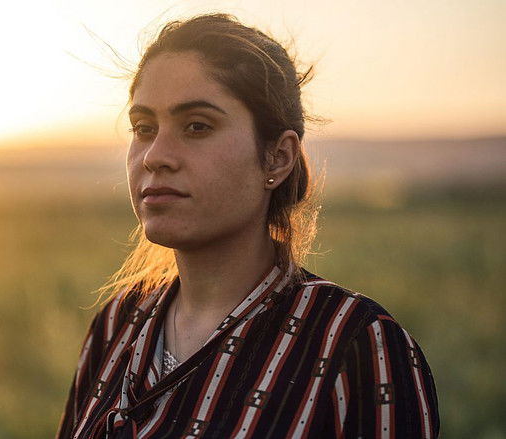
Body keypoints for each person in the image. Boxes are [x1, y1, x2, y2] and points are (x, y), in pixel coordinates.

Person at [57, 13, 439, 439]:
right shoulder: (115, 325)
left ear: (277, 157)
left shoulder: (355, 345)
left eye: (197, 126)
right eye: (144, 128)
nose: (155, 155)